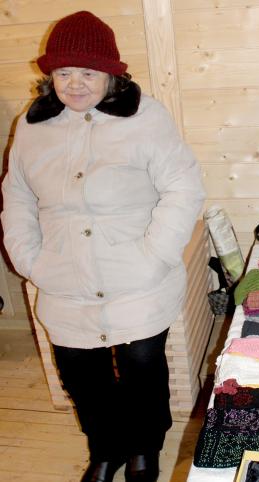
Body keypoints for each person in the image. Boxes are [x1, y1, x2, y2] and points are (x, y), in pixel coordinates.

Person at [1, 11, 205, 482]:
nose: (74, 84)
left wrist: (154, 256)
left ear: (111, 74)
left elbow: (183, 187)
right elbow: (16, 196)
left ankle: (145, 449)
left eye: (87, 72)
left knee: (141, 366)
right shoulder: (31, 124)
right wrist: (30, 260)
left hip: (136, 272)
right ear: (50, 76)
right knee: (79, 373)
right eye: (63, 73)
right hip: (63, 274)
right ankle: (105, 449)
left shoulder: (146, 117)